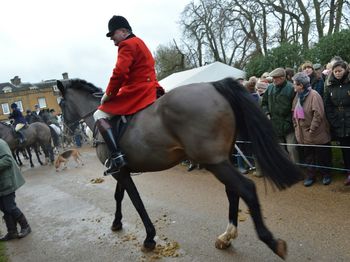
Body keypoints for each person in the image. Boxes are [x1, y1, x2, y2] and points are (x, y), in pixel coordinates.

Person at [93, 15, 164, 176]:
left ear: (124, 31)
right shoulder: (140, 42)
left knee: (99, 114)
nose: (112, 40)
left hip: (138, 91)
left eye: (113, 35)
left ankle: (117, 157)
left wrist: (109, 94)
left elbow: (120, 73)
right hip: (152, 87)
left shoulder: (126, 44)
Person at [291, 72, 332, 186]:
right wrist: (296, 126)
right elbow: (294, 112)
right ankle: (311, 176)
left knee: (322, 155)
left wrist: (312, 129)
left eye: (295, 84)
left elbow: (318, 114)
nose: (293, 86)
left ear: (301, 85)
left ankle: (326, 174)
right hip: (303, 133)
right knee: (308, 157)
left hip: (316, 133)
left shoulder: (314, 95)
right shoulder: (297, 96)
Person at [261, 67, 299, 163]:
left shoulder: (291, 88)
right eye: (272, 78)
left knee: (292, 149)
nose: (273, 80)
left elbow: (296, 108)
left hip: (289, 125)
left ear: (282, 78)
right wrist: (266, 113)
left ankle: (296, 170)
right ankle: (285, 169)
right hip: (274, 124)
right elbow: (264, 103)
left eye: (275, 78)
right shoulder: (270, 88)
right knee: (280, 150)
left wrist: (290, 121)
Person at [324, 60, 350, 186]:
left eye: (340, 70)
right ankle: (349, 173)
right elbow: (327, 105)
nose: (338, 73)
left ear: (345, 70)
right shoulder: (329, 86)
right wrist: (334, 121)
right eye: (335, 71)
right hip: (339, 122)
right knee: (345, 149)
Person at [0, 138, 31, 241]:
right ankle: (12, 231)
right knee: (4, 207)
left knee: (10, 207)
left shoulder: (0, 143)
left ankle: (26, 226)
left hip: (6, 181)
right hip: (1, 183)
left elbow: (7, 160)